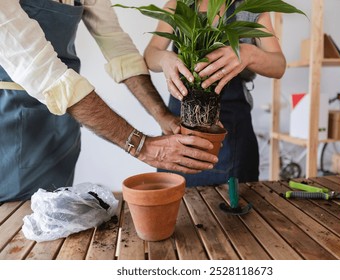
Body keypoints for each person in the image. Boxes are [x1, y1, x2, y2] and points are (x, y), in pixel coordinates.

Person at [0, 0, 218, 202]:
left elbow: (117, 46)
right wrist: (142, 146)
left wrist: (162, 115)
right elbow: (44, 72)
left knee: (54, 209)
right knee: (13, 222)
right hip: (10, 121)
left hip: (63, 120)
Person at [143, 0, 287, 186]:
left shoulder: (250, 7)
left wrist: (248, 53)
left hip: (232, 128)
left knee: (234, 207)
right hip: (179, 125)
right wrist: (164, 59)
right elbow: (150, 54)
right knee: (176, 204)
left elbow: (279, 65)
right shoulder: (179, 5)